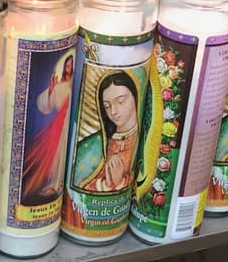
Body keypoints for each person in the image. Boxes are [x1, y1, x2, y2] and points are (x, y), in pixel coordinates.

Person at [69, 70, 141, 193]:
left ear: (135, 96)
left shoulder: (142, 136)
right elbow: (79, 186)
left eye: (120, 102)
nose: (113, 111)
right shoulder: (95, 144)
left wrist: (121, 181)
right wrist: (108, 184)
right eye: (107, 106)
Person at [20, 53, 74, 203]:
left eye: (72, 65)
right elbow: (47, 106)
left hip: (71, 121)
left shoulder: (75, 83)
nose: (69, 68)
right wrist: (51, 89)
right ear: (65, 67)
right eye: (67, 65)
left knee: (66, 152)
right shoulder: (60, 85)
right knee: (57, 152)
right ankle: (54, 184)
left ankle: (63, 183)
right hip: (60, 123)